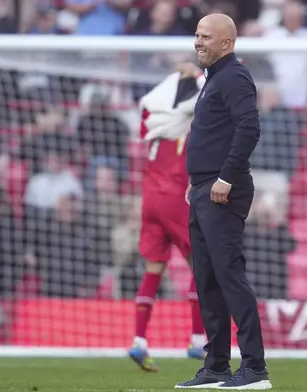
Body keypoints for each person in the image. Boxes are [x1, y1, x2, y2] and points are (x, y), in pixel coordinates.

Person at [175, 14, 271, 390]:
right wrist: (198, 180)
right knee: (208, 280)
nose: (198, 42)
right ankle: (215, 365)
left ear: (227, 43)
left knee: (229, 276)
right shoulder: (215, 77)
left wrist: (225, 177)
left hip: (222, 189)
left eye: (206, 37)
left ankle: (254, 369)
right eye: (197, 35)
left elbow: (250, 127)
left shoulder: (233, 77)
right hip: (204, 188)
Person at [128, 64, 207, 372]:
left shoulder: (157, 122)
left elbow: (159, 96)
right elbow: (204, 96)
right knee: (203, 264)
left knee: (153, 270)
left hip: (149, 200)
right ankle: (199, 340)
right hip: (174, 197)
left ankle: (139, 340)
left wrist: (182, 75)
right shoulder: (185, 119)